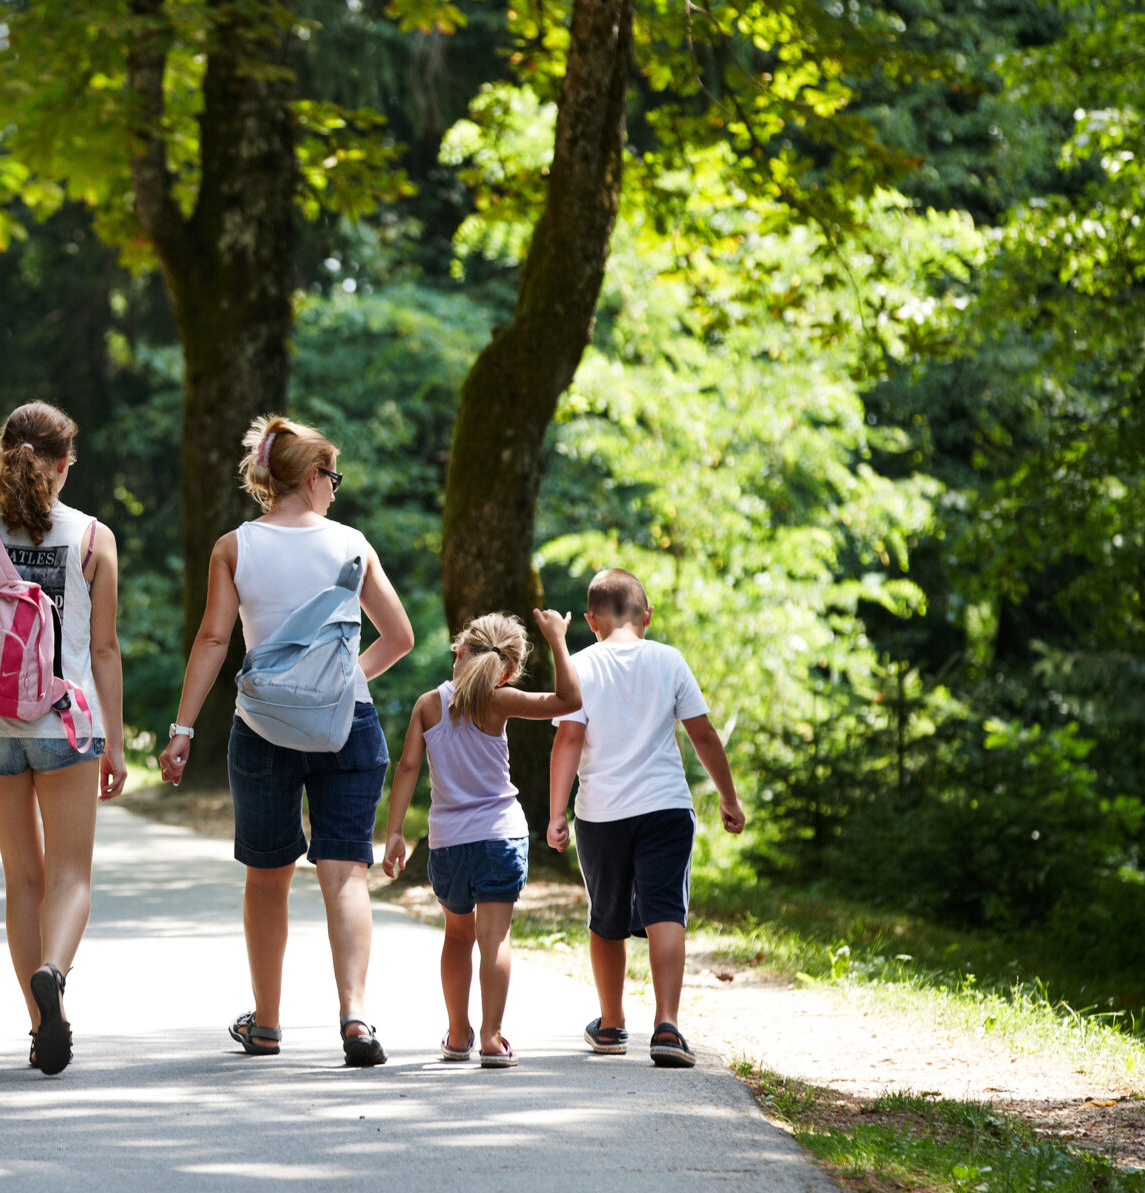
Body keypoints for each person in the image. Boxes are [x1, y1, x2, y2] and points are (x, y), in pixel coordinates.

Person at [159, 414, 415, 1067]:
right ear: (308, 476)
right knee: (346, 873)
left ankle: (267, 1023)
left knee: (267, 877)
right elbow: (401, 636)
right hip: (345, 724)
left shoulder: (233, 546)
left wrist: (182, 730)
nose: (337, 487)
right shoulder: (352, 545)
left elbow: (215, 639)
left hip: (264, 727)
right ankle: (354, 1016)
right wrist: (339, 680)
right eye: (332, 475)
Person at [0, 402, 128, 1077]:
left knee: (22, 876)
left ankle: (37, 1023)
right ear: (62, 462)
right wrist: (114, 740)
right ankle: (55, 969)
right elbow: (103, 649)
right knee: (71, 873)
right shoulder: (92, 537)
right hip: (65, 721)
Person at [546, 568, 746, 1068]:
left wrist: (555, 814)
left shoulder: (580, 665)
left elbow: (567, 739)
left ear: (590, 620)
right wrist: (728, 798)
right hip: (666, 808)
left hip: (602, 814)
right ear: (647, 616)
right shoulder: (669, 660)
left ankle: (611, 1025)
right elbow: (703, 734)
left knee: (606, 918)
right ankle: (668, 1027)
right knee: (664, 911)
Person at [381, 610, 578, 1067]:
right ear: (507, 668)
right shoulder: (501, 700)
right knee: (495, 939)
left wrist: (394, 832)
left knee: (456, 936)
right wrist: (557, 639)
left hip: (449, 843)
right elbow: (570, 699)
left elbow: (407, 768)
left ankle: (456, 1032)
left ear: (458, 651)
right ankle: (491, 1037)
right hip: (499, 838)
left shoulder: (429, 704)